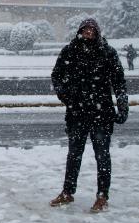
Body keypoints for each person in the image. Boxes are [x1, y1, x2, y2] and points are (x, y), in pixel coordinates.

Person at [50, 18, 127, 213]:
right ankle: (68, 191)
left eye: (92, 30)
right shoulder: (70, 51)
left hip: (102, 113)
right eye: (86, 30)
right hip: (77, 113)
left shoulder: (107, 53)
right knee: (74, 154)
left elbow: (119, 81)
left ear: (97, 32)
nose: (89, 33)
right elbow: (56, 76)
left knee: (102, 156)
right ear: (80, 32)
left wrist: (123, 105)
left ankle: (102, 195)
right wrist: (66, 96)